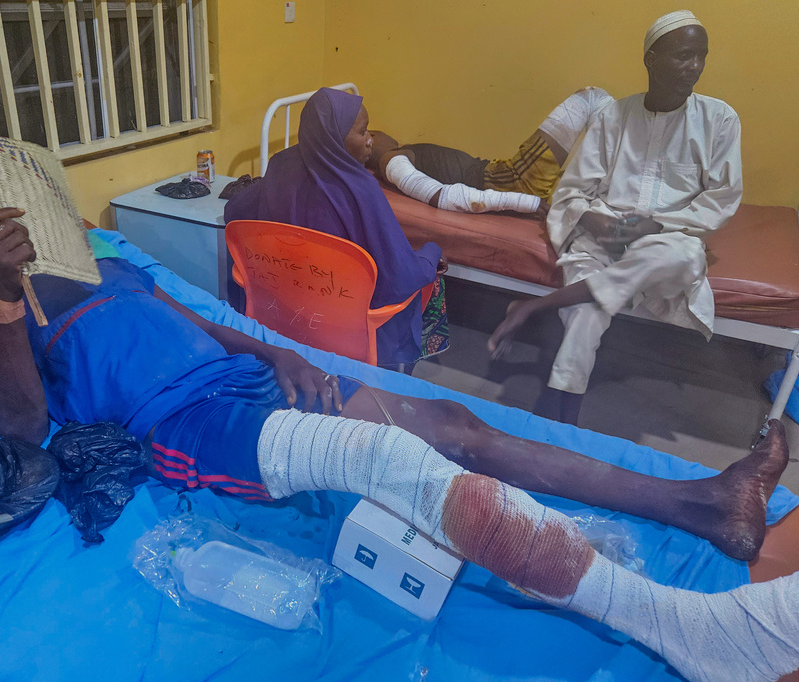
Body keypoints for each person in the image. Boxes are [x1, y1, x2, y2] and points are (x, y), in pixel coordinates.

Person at [0, 188, 799, 681]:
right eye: (1, 219)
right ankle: (690, 630)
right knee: (388, 457)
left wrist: (278, 355)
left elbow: (207, 325)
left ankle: (707, 503)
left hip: (246, 382)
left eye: (27, 204)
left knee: (452, 424)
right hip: (186, 427)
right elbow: (22, 423)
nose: (25, 220)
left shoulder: (103, 262)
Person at [487, 10, 742, 426]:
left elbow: (722, 199)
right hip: (606, 234)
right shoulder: (612, 117)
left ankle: (539, 305)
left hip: (667, 238)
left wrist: (655, 225)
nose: (695, 66)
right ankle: (563, 417)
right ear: (651, 60)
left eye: (701, 55)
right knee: (586, 314)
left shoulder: (720, 120)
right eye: (683, 55)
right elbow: (570, 192)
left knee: (684, 259)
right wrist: (592, 221)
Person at [224, 87, 447, 372]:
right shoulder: (360, 188)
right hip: (346, 325)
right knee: (432, 277)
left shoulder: (280, 165)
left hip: (285, 312)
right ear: (333, 137)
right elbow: (400, 278)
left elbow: (235, 213)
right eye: (363, 132)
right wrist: (431, 252)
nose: (370, 141)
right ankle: (402, 375)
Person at [366, 87, 614, 215]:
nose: (374, 132)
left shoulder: (399, 156)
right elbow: (441, 196)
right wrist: (523, 201)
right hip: (511, 181)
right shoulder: (391, 160)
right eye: (364, 131)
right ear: (371, 140)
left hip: (506, 177)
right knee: (591, 98)